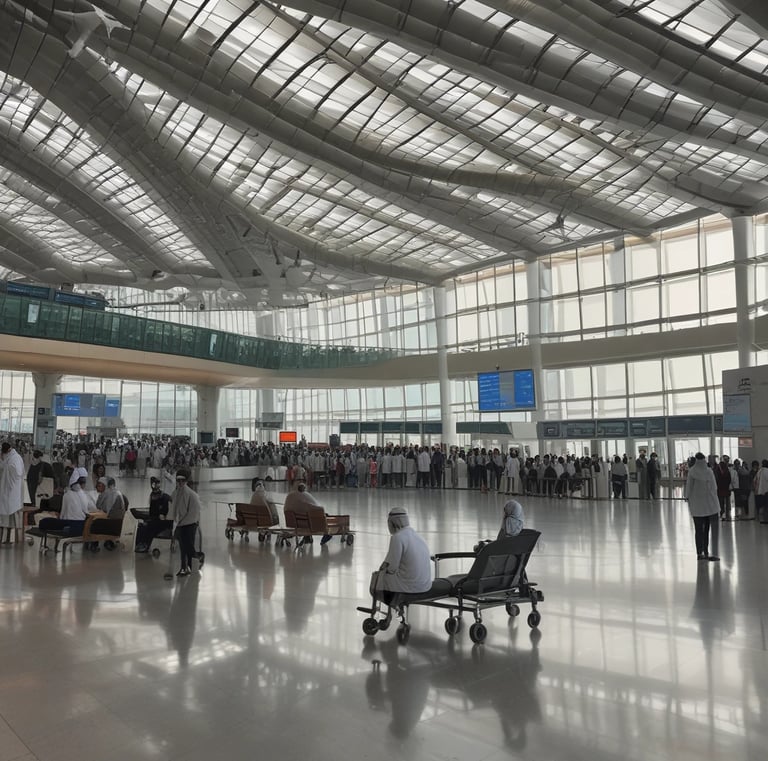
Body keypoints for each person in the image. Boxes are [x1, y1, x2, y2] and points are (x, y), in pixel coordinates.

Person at [373, 508, 431, 604]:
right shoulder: (418, 536)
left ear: (393, 523)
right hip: (425, 586)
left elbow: (391, 568)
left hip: (409, 587)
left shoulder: (397, 537)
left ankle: (389, 605)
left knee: (379, 578)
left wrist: (381, 569)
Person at [38, 467, 98, 537]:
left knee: (45, 522)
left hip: (68, 525)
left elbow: (63, 513)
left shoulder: (67, 494)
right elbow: (92, 509)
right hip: (79, 526)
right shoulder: (83, 495)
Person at [685, 452, 720, 561]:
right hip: (709, 506)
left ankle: (699, 553)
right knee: (706, 530)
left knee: (698, 530)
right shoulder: (709, 471)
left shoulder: (692, 471)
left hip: (697, 506)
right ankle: (705, 550)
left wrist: (687, 497)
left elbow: (689, 487)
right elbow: (714, 487)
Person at [169, 468, 204, 577]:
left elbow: (188, 512)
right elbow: (174, 506)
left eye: (182, 480)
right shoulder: (177, 492)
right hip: (182, 523)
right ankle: (184, 567)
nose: (180, 482)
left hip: (189, 524)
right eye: (178, 480)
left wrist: (178, 523)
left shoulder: (188, 493)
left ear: (186, 481)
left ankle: (194, 566)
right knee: (183, 547)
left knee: (188, 547)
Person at [134, 476, 173, 552]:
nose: (154, 485)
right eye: (153, 483)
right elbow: (152, 512)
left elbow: (163, 515)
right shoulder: (152, 495)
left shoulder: (164, 497)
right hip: (155, 519)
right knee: (141, 525)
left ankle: (146, 545)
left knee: (150, 525)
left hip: (165, 521)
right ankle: (140, 544)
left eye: (156, 483)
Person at [0, 442, 25, 544]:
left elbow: (18, 473)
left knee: (11, 515)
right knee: (4, 514)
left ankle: (10, 538)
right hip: (5, 491)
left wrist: (5, 467)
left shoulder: (15, 458)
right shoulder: (9, 458)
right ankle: (3, 538)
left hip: (13, 492)